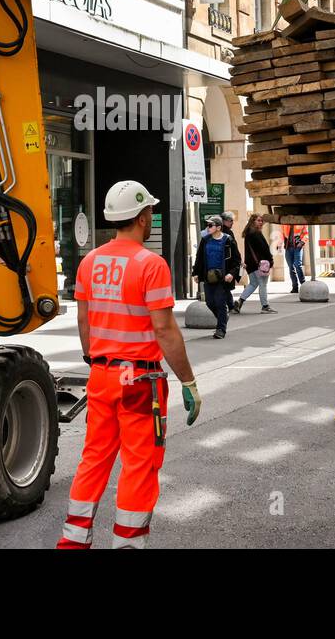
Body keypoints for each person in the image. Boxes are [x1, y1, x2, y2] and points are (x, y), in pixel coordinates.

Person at [57, 180, 200, 549]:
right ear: (141, 217)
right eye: (150, 211)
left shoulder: (90, 262)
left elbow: (84, 322)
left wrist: (97, 360)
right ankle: (127, 544)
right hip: (139, 381)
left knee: (94, 459)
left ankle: (73, 541)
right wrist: (188, 381)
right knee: (139, 466)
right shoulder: (151, 265)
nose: (152, 216)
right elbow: (165, 330)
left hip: (102, 377)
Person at [192, 214, 240, 339]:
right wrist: (196, 272)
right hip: (208, 276)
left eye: (210, 225)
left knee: (219, 302)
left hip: (223, 277)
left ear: (218, 227)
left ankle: (221, 329)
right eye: (207, 225)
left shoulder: (228, 240)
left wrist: (231, 273)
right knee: (209, 302)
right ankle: (222, 317)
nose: (208, 227)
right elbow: (199, 258)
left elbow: (236, 260)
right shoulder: (206, 240)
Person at [234, 214, 276, 315]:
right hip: (260, 264)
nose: (261, 222)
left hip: (251, 264)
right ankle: (265, 306)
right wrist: (270, 260)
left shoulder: (248, 233)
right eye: (258, 220)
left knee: (253, 284)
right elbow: (264, 248)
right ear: (253, 222)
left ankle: (240, 302)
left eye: (261, 221)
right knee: (263, 284)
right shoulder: (256, 233)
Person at [221, 212, 241, 308]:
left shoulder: (227, 231)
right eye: (230, 220)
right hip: (227, 263)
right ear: (224, 221)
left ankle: (230, 305)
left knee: (225, 287)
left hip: (227, 262)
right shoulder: (227, 232)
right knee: (225, 287)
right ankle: (230, 305)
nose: (232, 222)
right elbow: (234, 249)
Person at [283, 225, 306, 293]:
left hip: (297, 247)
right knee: (291, 267)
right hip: (288, 247)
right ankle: (295, 287)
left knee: (297, 265)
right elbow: (283, 234)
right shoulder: (285, 223)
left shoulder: (300, 221)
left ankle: (304, 285)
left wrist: (302, 242)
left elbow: (306, 233)